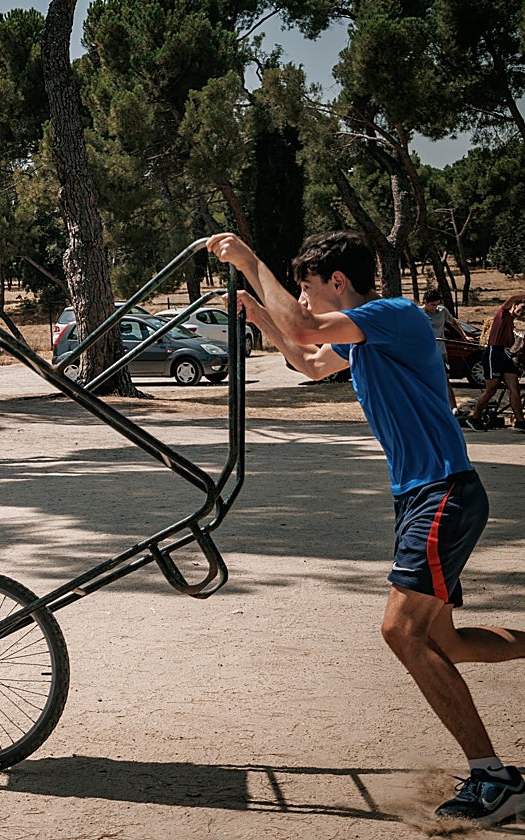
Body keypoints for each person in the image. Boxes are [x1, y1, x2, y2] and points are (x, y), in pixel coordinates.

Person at [208, 230, 525, 827]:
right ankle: (494, 773)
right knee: (445, 643)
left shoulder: (394, 315)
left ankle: (494, 777)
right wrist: (259, 311)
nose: (301, 301)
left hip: (443, 494)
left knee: (400, 632)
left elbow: (303, 334)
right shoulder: (361, 336)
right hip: (420, 499)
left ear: (337, 282)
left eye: (306, 289)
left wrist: (253, 260)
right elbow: (303, 359)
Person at [464, 294, 525, 432]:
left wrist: (516, 351)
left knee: (514, 387)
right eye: (522, 308)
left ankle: (520, 422)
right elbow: (510, 298)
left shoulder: (513, 325)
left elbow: (512, 346)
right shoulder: (502, 314)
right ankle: (474, 418)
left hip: (505, 355)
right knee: (491, 389)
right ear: (515, 305)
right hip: (493, 353)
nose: (522, 312)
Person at [421, 287, 462, 414]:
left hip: (440, 351)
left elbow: (454, 323)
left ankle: (453, 408)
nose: (435, 307)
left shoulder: (442, 311)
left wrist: (464, 337)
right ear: (425, 302)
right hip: (424, 353)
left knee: (445, 379)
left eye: (437, 304)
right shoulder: (417, 313)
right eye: (432, 305)